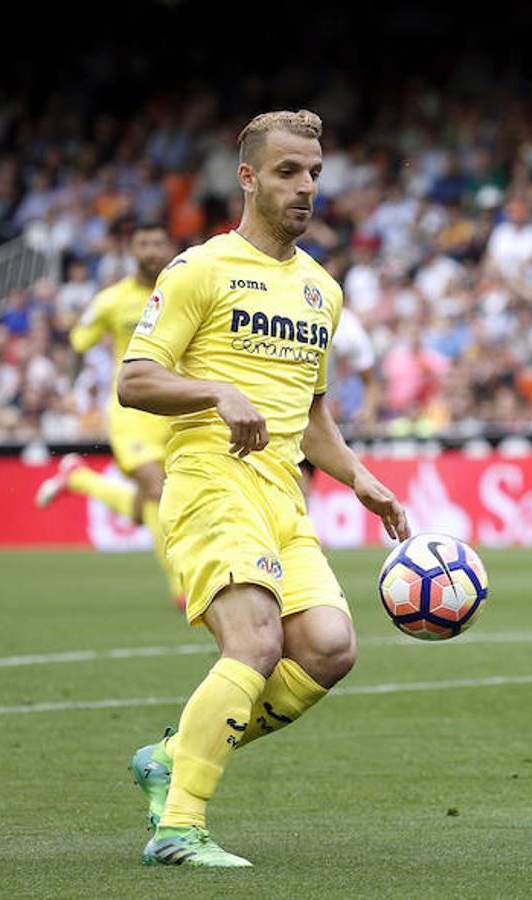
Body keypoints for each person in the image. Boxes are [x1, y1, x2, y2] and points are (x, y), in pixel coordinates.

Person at [116, 109, 409, 867]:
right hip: (211, 483)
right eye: (287, 172)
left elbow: (310, 417)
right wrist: (216, 391)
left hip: (284, 495)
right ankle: (178, 826)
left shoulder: (322, 291)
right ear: (247, 178)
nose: (305, 187)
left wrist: (359, 477)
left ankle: (172, 753)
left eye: (313, 173)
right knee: (255, 641)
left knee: (329, 648)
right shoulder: (198, 270)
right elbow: (135, 379)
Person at [36, 222, 181, 608]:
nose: (151, 250)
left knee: (155, 504)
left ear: (171, 245)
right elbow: (77, 342)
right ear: (129, 248)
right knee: (157, 488)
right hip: (132, 412)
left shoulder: (187, 289)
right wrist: (70, 390)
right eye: (143, 243)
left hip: (179, 411)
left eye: (158, 242)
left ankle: (80, 479)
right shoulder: (110, 300)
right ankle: (180, 588)